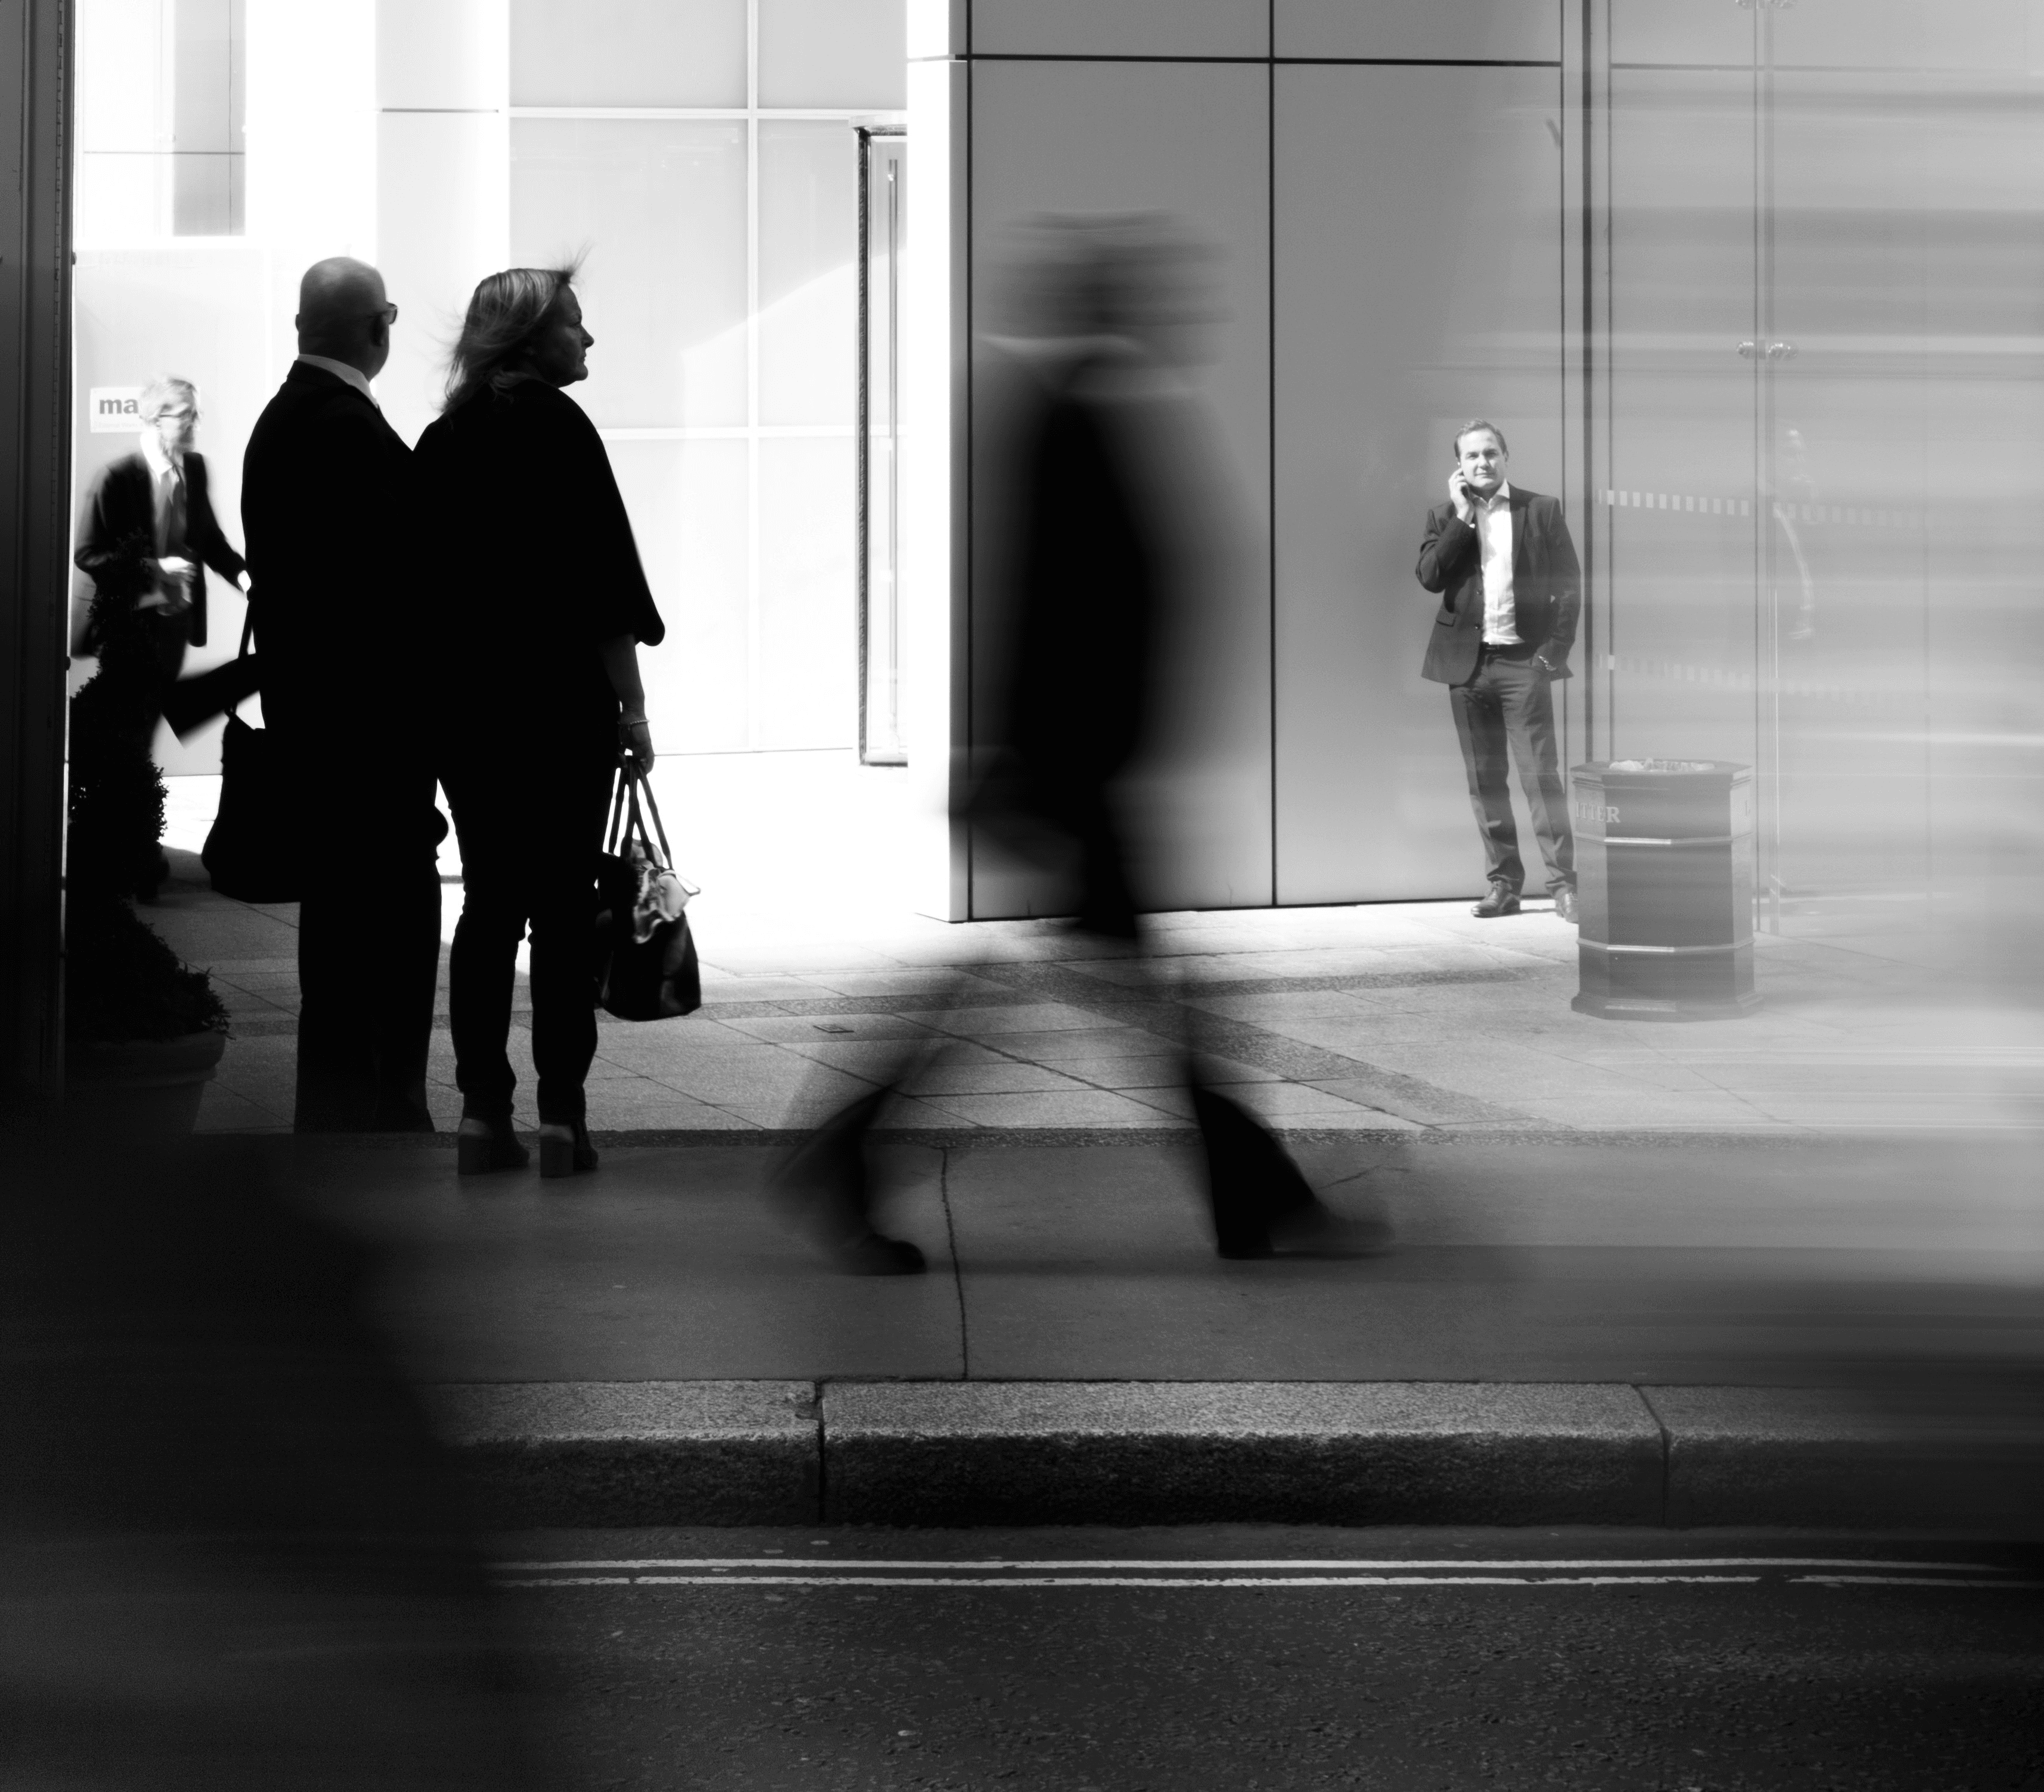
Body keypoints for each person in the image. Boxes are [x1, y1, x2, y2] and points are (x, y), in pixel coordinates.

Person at [775, 217, 1385, 1269]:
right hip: (1072, 770)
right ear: (1104, 306)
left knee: (1120, 993)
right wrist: (1029, 760)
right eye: (1152, 302)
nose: (1180, 322)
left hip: (1073, 767)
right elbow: (1052, 604)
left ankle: (846, 1151)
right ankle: (1251, 1201)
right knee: (1138, 997)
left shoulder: (1081, 408)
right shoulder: (1069, 415)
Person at [414, 266, 664, 1181]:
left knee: (488, 905)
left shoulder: (444, 439)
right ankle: (564, 1118)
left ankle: (482, 1113)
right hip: (561, 707)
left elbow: (418, 590)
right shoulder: (562, 430)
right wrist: (631, 706)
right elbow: (604, 587)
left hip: (470, 712)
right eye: (575, 324)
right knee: (563, 910)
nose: (587, 339)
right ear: (530, 338)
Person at [242, 258, 444, 1131]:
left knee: (335, 939)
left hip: (314, 724)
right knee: (387, 929)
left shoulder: (281, 420)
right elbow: (392, 588)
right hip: (371, 737)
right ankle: (378, 1105)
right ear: (378, 327)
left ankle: (335, 1105)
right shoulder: (346, 428)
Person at [73, 377, 247, 894]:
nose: (194, 423)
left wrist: (243, 577)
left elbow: (209, 539)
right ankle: (135, 853)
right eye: (184, 414)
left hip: (172, 626)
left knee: (143, 728)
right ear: (154, 419)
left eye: (195, 413)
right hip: (127, 627)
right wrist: (154, 567)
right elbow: (89, 553)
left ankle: (131, 848)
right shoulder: (117, 477)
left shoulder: (194, 469)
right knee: (132, 732)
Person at [1417, 421, 1581, 921]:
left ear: (1506, 456)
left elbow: (1570, 585)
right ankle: (1504, 886)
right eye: (1472, 456)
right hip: (1466, 670)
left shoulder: (1542, 509)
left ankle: (1565, 886)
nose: (1483, 463)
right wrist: (1463, 519)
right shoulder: (1446, 515)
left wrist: (1551, 653)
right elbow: (1430, 577)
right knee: (1485, 781)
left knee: (1540, 777)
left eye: (1491, 453)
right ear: (1459, 467)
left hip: (1522, 664)